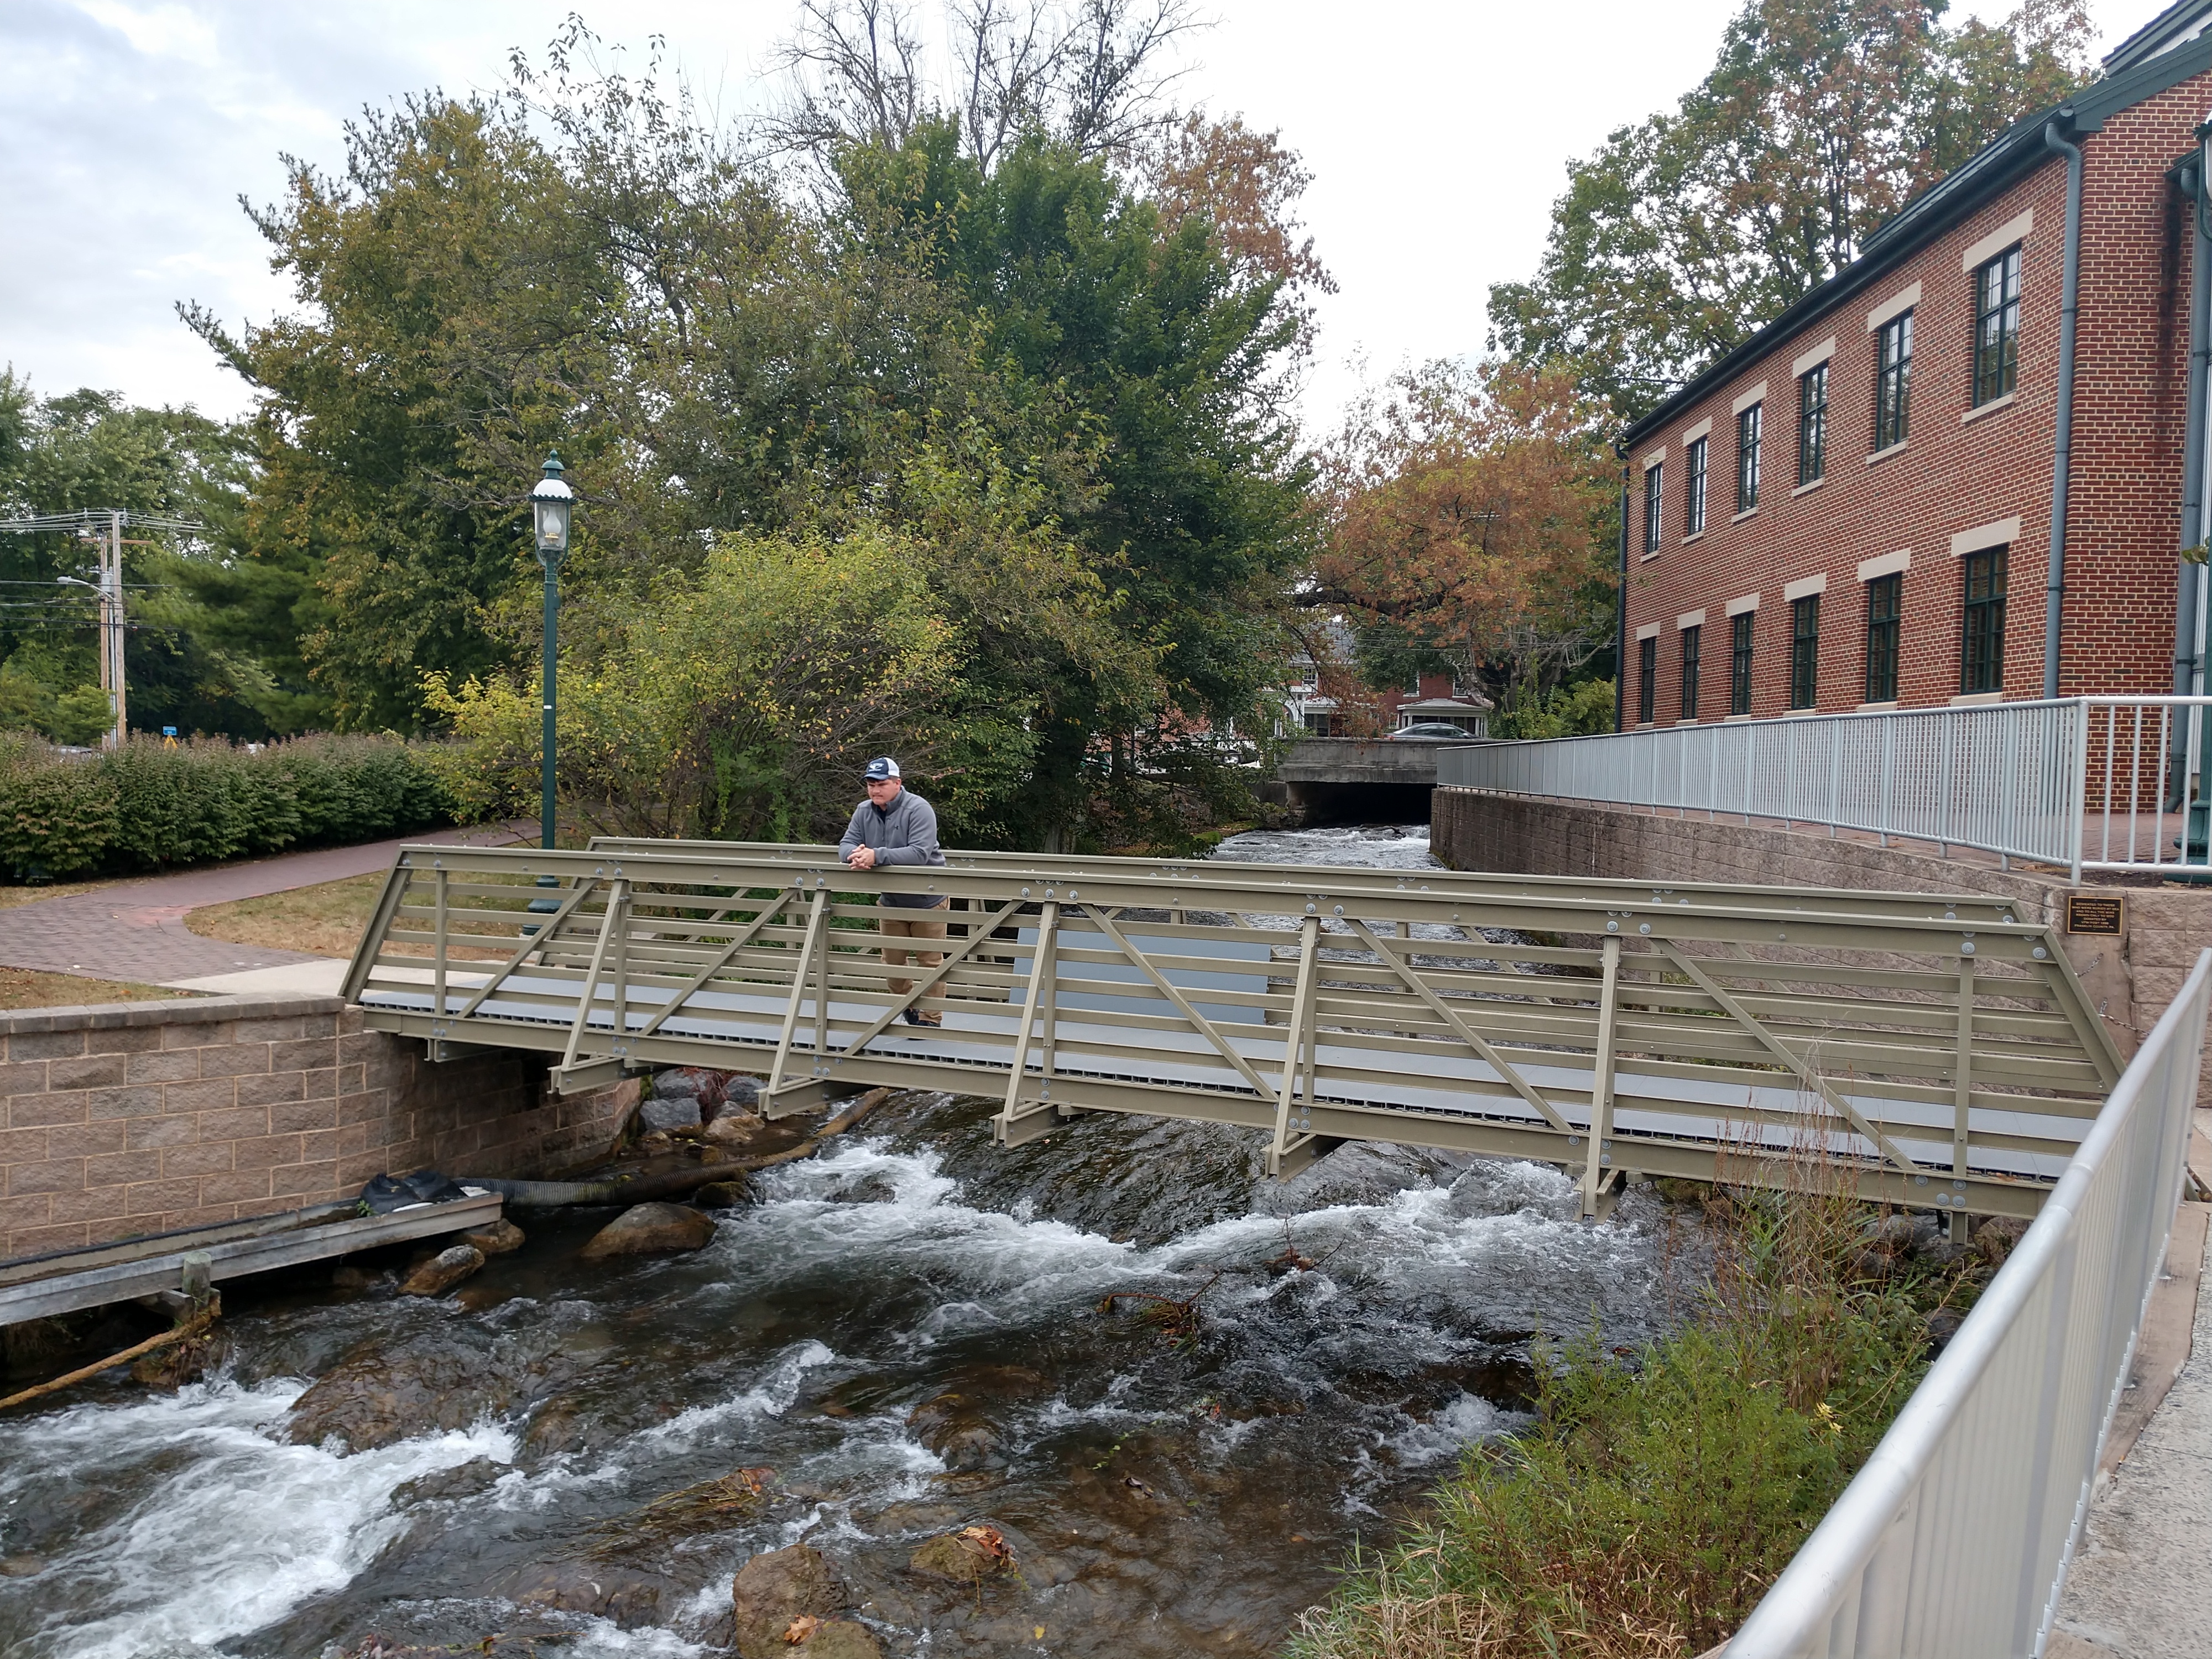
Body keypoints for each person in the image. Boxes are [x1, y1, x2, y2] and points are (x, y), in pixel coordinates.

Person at [838, 757, 950, 1026]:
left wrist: (876, 856)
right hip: (891, 900)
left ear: (898, 783)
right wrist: (857, 856)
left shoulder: (919, 809)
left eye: (882, 784)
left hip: (928, 899)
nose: (875, 790)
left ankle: (931, 1020)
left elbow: (920, 854)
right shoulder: (863, 810)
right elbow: (845, 844)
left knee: (930, 963)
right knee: (892, 964)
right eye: (871, 784)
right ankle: (909, 1006)